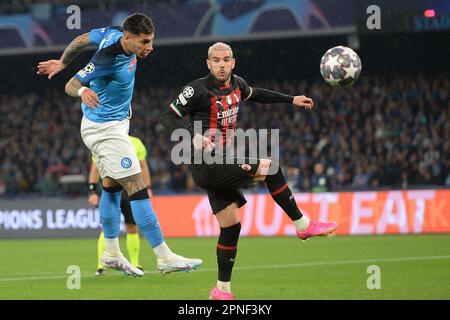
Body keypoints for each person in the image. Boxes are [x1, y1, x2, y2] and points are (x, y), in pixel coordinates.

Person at [160, 42, 338, 299]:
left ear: (233, 62)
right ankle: (303, 224)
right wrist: (191, 137)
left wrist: (291, 100)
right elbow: (168, 117)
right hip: (205, 163)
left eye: (226, 59)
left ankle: (222, 291)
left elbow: (258, 95)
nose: (221, 64)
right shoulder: (196, 90)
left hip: (220, 161)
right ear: (208, 64)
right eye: (216, 60)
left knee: (231, 226)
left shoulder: (238, 85)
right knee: (271, 167)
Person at [37, 13, 202, 277]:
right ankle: (163, 256)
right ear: (128, 38)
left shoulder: (113, 32)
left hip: (110, 125)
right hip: (105, 130)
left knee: (111, 187)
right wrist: (82, 91)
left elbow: (81, 39)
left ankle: (112, 252)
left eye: (151, 40)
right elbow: (71, 83)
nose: (150, 47)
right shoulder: (108, 57)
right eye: (144, 42)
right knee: (137, 185)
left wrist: (62, 60)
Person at [88, 135, 152, 275]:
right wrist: (92, 191)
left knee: (132, 226)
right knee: (108, 227)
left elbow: (143, 166)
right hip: (110, 189)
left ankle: (135, 263)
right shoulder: (103, 141)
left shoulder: (136, 142)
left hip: (131, 190)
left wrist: (148, 187)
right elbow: (95, 168)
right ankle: (102, 264)